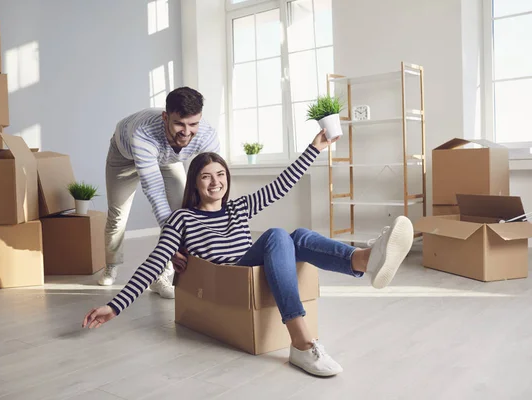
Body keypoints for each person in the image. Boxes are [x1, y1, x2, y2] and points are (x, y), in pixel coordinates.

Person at [83, 128, 414, 377]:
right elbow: (154, 262)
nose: (215, 183)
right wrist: (114, 306)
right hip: (231, 276)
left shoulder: (237, 208)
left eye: (221, 175)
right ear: (195, 184)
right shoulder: (182, 219)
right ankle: (301, 343)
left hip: (252, 268)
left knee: (296, 235)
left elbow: (281, 185)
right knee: (277, 236)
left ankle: (365, 260)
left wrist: (314, 148)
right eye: (206, 177)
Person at [98, 87, 220, 300]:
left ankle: (161, 275)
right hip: (123, 157)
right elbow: (155, 192)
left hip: (167, 159)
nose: (186, 131)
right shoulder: (143, 134)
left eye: (193, 124)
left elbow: (217, 182)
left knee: (183, 209)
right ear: (165, 117)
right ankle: (111, 264)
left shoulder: (207, 136)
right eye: (179, 124)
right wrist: (172, 246)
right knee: (118, 214)